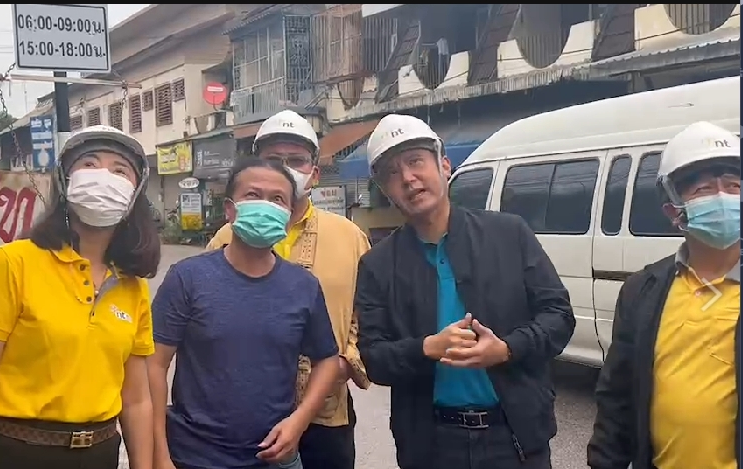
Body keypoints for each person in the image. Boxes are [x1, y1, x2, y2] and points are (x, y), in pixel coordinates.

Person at [355, 113, 575, 469]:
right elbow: (374, 358)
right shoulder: (378, 265)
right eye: (392, 173)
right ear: (384, 191)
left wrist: (506, 348)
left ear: (444, 165)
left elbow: (559, 317)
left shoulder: (509, 234)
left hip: (514, 435)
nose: (408, 179)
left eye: (415, 162)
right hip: (433, 445)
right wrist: (427, 348)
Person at [0, 125, 162, 469]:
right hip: (18, 452)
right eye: (89, 164)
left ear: (135, 192)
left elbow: (136, 399)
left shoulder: (131, 285)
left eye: (120, 170)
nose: (104, 177)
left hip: (100, 453)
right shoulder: (12, 263)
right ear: (65, 181)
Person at [148, 157, 342, 469]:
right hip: (193, 457)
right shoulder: (187, 278)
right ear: (230, 209)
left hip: (274, 458)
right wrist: (159, 454)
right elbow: (154, 366)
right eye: (253, 195)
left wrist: (299, 421)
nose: (265, 205)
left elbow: (327, 360)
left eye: (277, 198)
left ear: (289, 214)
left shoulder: (303, 286)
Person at [206, 109, 371, 469]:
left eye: (295, 161)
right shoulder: (223, 240)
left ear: (313, 172)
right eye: (273, 160)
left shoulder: (349, 237)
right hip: (240, 415)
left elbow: (367, 314)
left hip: (326, 416)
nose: (285, 168)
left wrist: (347, 360)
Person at [587, 121, 741, 469]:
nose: (722, 197)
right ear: (674, 211)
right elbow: (617, 398)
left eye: (733, 186)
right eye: (703, 189)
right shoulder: (644, 290)